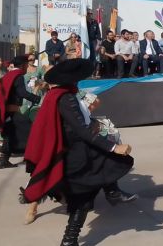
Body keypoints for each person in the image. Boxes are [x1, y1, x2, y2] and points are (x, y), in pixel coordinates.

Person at [20, 59, 135, 245]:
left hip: (73, 150)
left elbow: (84, 119)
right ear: (72, 79)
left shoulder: (59, 94)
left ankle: (71, 237)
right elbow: (81, 130)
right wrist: (113, 147)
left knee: (89, 189)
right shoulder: (66, 98)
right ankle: (69, 239)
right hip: (74, 153)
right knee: (87, 192)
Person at [0, 55, 42, 169]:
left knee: (10, 136)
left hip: (7, 112)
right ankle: (32, 159)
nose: (27, 67)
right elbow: (22, 93)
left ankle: (3, 161)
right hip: (12, 112)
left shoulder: (9, 75)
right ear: (22, 65)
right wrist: (38, 99)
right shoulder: (18, 76)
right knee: (31, 131)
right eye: (26, 64)